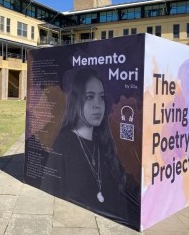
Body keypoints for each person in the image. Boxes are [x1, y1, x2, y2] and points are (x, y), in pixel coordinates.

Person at [41, 68, 139, 225]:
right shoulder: (63, 144)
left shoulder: (105, 144)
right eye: (89, 97)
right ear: (76, 99)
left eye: (101, 98)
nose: (97, 105)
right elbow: (49, 193)